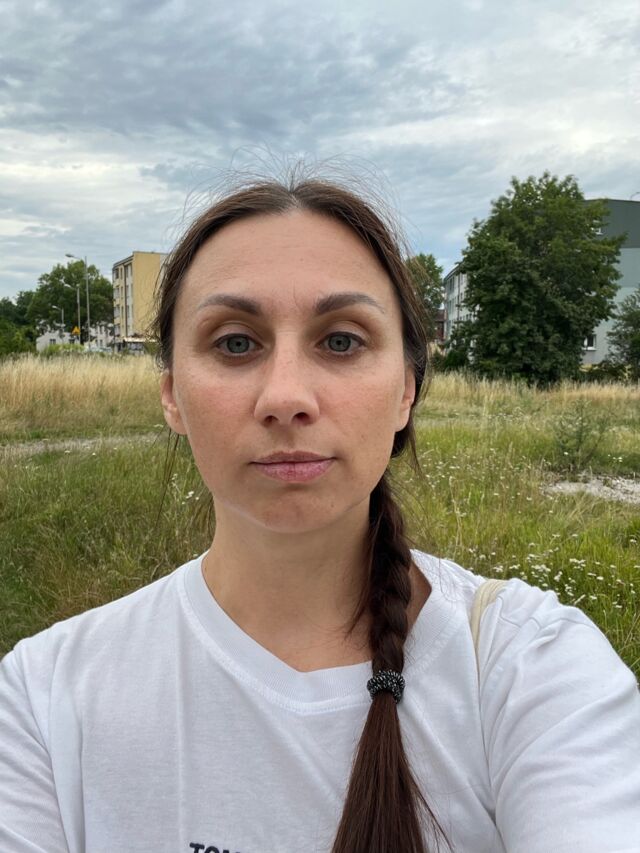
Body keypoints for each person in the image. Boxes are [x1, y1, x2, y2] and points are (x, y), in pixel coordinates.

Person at [1, 175, 639, 853]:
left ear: (406, 391)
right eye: (235, 343)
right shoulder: (46, 699)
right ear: (172, 396)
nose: (286, 397)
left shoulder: (533, 668)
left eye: (340, 341)